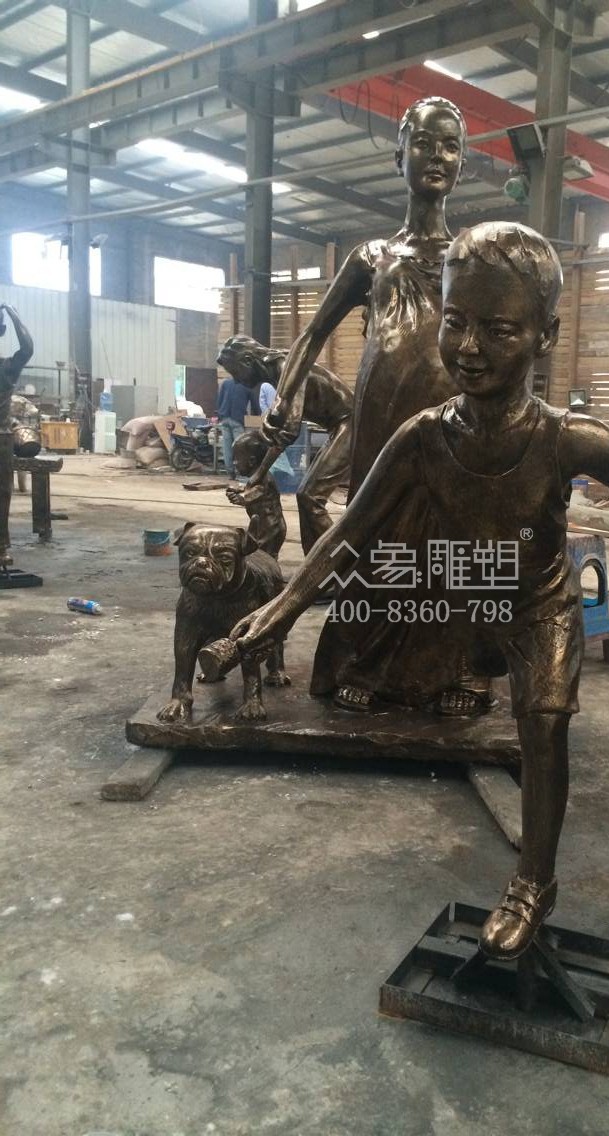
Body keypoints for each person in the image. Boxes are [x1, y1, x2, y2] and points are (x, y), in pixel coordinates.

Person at [227, 222, 609, 960]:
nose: (469, 348)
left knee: (544, 722)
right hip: (459, 600)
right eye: (456, 322)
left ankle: (534, 882)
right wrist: (279, 610)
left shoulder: (565, 436)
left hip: (537, 605)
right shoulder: (422, 437)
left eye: (498, 330)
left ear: (545, 336)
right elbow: (348, 534)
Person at [254, 97, 488, 714]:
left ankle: (461, 669)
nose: (437, 156)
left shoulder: (472, 257)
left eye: (450, 146)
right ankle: (365, 662)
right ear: (399, 155)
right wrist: (287, 395)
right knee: (376, 539)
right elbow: (313, 332)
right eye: (424, 142)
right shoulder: (371, 256)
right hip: (381, 419)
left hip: (454, 421)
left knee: (454, 542)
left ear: (462, 163)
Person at [217, 335, 353, 553]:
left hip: (350, 425)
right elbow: (278, 420)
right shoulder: (277, 371)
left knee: (310, 497)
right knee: (306, 496)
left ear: (248, 361)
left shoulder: (287, 368)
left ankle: (342, 558)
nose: (237, 381)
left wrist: (259, 473)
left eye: (235, 373)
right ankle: (314, 560)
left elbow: (289, 429)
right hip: (337, 428)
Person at [0, 303, 34, 567]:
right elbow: (27, 349)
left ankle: (1, 546)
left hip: (2, 437)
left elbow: (27, 349)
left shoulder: (6, 368)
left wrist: (12, 313)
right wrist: (13, 314)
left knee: (2, 492)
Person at [226, 430, 287, 560]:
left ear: (251, 461)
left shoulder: (265, 478)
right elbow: (251, 488)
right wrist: (238, 490)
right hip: (263, 527)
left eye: (236, 459)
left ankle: (270, 571)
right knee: (261, 553)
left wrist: (242, 498)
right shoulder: (256, 477)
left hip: (271, 528)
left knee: (265, 557)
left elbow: (258, 491)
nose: (234, 463)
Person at [216, 374, 259, 478]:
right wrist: (258, 417)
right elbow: (255, 404)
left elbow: (219, 400)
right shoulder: (247, 386)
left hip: (225, 418)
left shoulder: (226, 383)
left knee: (227, 447)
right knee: (240, 448)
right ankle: (241, 472)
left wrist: (219, 414)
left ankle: (230, 472)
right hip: (237, 420)